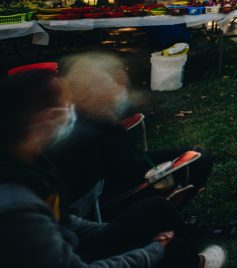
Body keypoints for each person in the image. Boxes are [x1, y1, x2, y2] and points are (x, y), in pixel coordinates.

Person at [0, 65, 223, 268]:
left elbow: (64, 219)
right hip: (77, 252)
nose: (72, 112)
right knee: (161, 226)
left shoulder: (30, 162)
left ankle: (193, 262)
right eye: (67, 105)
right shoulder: (17, 207)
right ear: (47, 118)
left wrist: (117, 230)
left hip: (76, 237)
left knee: (156, 211)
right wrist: (150, 251)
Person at [48, 54, 213, 217]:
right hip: (107, 199)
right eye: (112, 84)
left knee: (196, 155)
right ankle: (160, 216)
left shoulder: (88, 119)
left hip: (118, 179)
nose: (119, 90)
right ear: (89, 94)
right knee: (197, 160)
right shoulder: (90, 131)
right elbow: (129, 171)